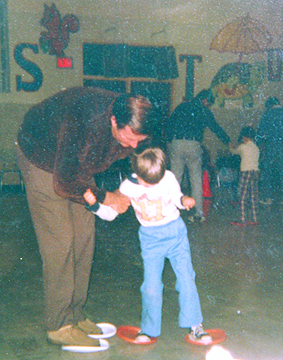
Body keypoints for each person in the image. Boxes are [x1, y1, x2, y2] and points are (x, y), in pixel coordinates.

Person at [16, 86, 157, 347]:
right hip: (41, 156)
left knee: (83, 237)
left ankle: (76, 314)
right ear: (114, 120)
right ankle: (58, 325)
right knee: (60, 243)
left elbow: (137, 165)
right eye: (130, 137)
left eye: (140, 139)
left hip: (75, 161)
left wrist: (144, 190)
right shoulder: (86, 121)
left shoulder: (129, 127)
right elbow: (64, 183)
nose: (135, 145)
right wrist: (107, 197)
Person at [83, 147, 212, 344]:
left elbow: (176, 196)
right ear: (137, 174)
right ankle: (149, 329)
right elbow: (111, 214)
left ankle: (195, 326)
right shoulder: (127, 187)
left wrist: (184, 199)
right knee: (151, 286)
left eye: (157, 181)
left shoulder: (167, 177)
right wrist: (95, 207)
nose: (154, 186)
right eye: (149, 183)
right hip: (150, 239)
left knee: (187, 279)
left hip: (175, 233)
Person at [166, 89, 230, 223]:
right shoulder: (204, 111)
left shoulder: (182, 106)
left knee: (174, 179)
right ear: (204, 100)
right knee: (196, 179)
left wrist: (169, 141)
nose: (208, 106)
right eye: (209, 103)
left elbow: (169, 123)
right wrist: (227, 140)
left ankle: (169, 212)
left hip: (177, 143)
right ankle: (199, 213)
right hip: (194, 144)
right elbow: (215, 127)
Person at [256, 96, 283, 205]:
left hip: (271, 143)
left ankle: (267, 197)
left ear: (269, 105)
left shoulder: (268, 113)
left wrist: (258, 142)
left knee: (267, 169)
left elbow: (261, 130)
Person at [229, 126, 260, 226]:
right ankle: (254, 218)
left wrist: (230, 146)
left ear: (245, 137)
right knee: (253, 195)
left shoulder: (242, 147)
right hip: (255, 172)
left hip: (245, 172)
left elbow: (234, 152)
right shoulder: (256, 148)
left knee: (242, 195)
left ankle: (242, 219)